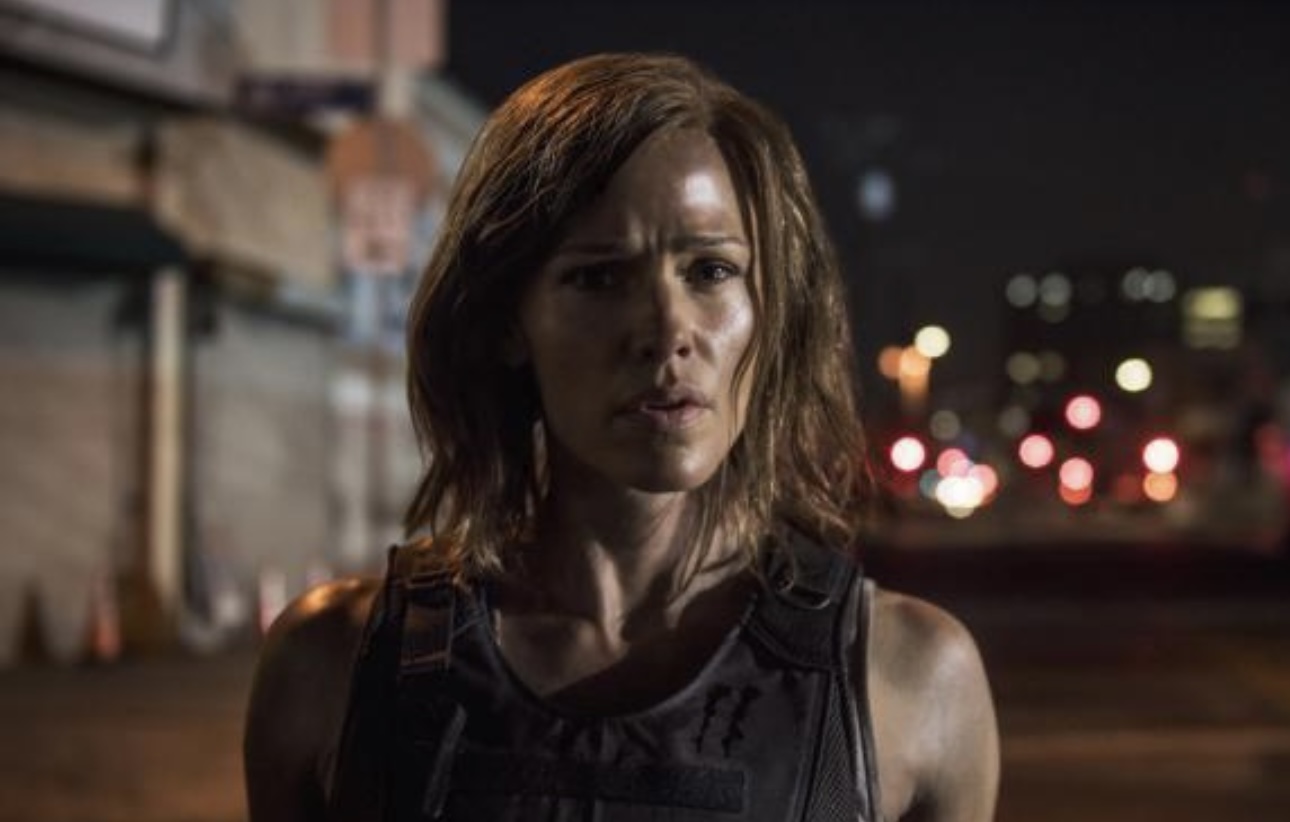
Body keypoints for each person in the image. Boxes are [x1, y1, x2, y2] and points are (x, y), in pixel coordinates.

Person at [243, 52, 999, 822]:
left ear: (772, 309)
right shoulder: (333, 668)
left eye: (710, 271)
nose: (667, 331)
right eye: (599, 277)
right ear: (507, 319)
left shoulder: (910, 681)